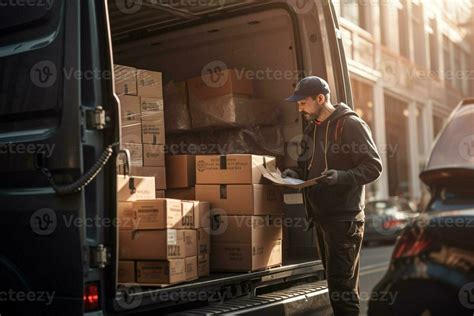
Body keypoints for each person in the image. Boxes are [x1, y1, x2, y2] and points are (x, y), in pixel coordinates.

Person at [284, 76, 383, 316]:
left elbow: (373, 167)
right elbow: (304, 168)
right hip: (321, 219)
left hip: (344, 220)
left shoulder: (350, 125)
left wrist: (340, 176)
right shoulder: (310, 129)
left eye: (303, 102)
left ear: (320, 98)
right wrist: (291, 173)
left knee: (342, 289)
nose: (299, 108)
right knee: (337, 285)